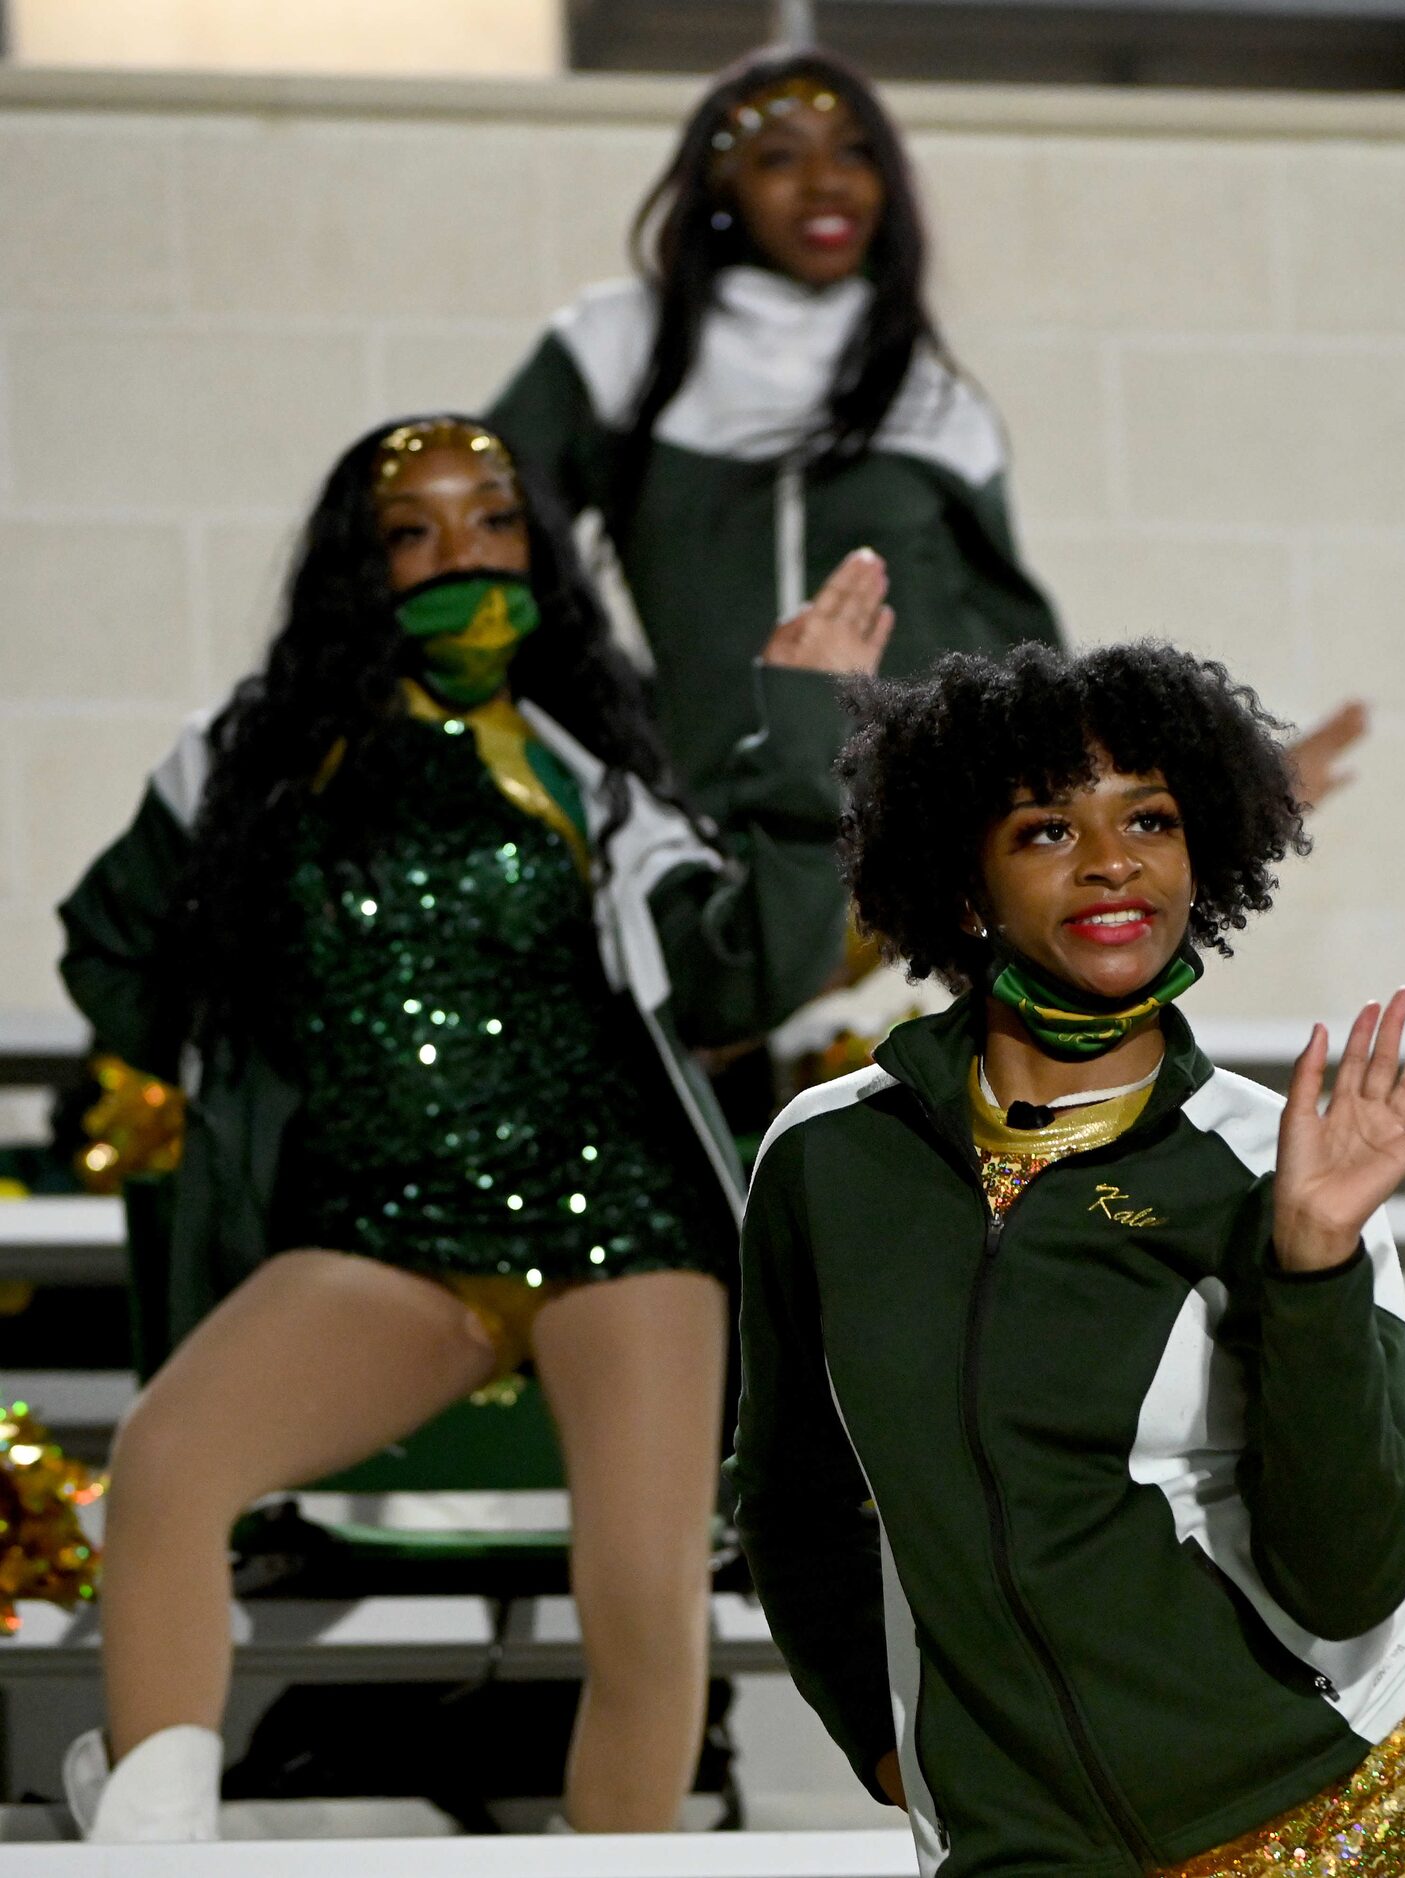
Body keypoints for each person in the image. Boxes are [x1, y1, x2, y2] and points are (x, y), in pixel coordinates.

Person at [55, 415, 892, 1842]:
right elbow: (113, 941)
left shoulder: (590, 775)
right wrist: (203, 1069)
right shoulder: (245, 765)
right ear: (357, 568)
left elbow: (746, 967)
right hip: (388, 1238)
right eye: (414, 529)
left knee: (644, 1595)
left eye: (493, 521)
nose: (461, 555)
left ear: (538, 555)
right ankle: (153, 1839)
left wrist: (802, 730)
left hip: (619, 1224)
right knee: (168, 1462)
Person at [728, 640, 1405, 1878]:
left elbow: (1351, 1582)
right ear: (965, 883)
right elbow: (791, 1495)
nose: (1112, 862)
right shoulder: (828, 1158)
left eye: (1148, 818)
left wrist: (1314, 1262)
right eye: (1047, 829)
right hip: (1023, 1842)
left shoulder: (1275, 1162)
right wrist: (882, 1746)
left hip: (1383, 1790)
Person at [486, 45, 1365, 818]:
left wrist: (1191, 798)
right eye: (779, 159)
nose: (826, 182)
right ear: (719, 187)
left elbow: (1014, 659)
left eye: (857, 155)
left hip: (895, 855)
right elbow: (480, 538)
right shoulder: (615, 347)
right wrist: (599, 714)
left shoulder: (932, 401)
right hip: (695, 828)